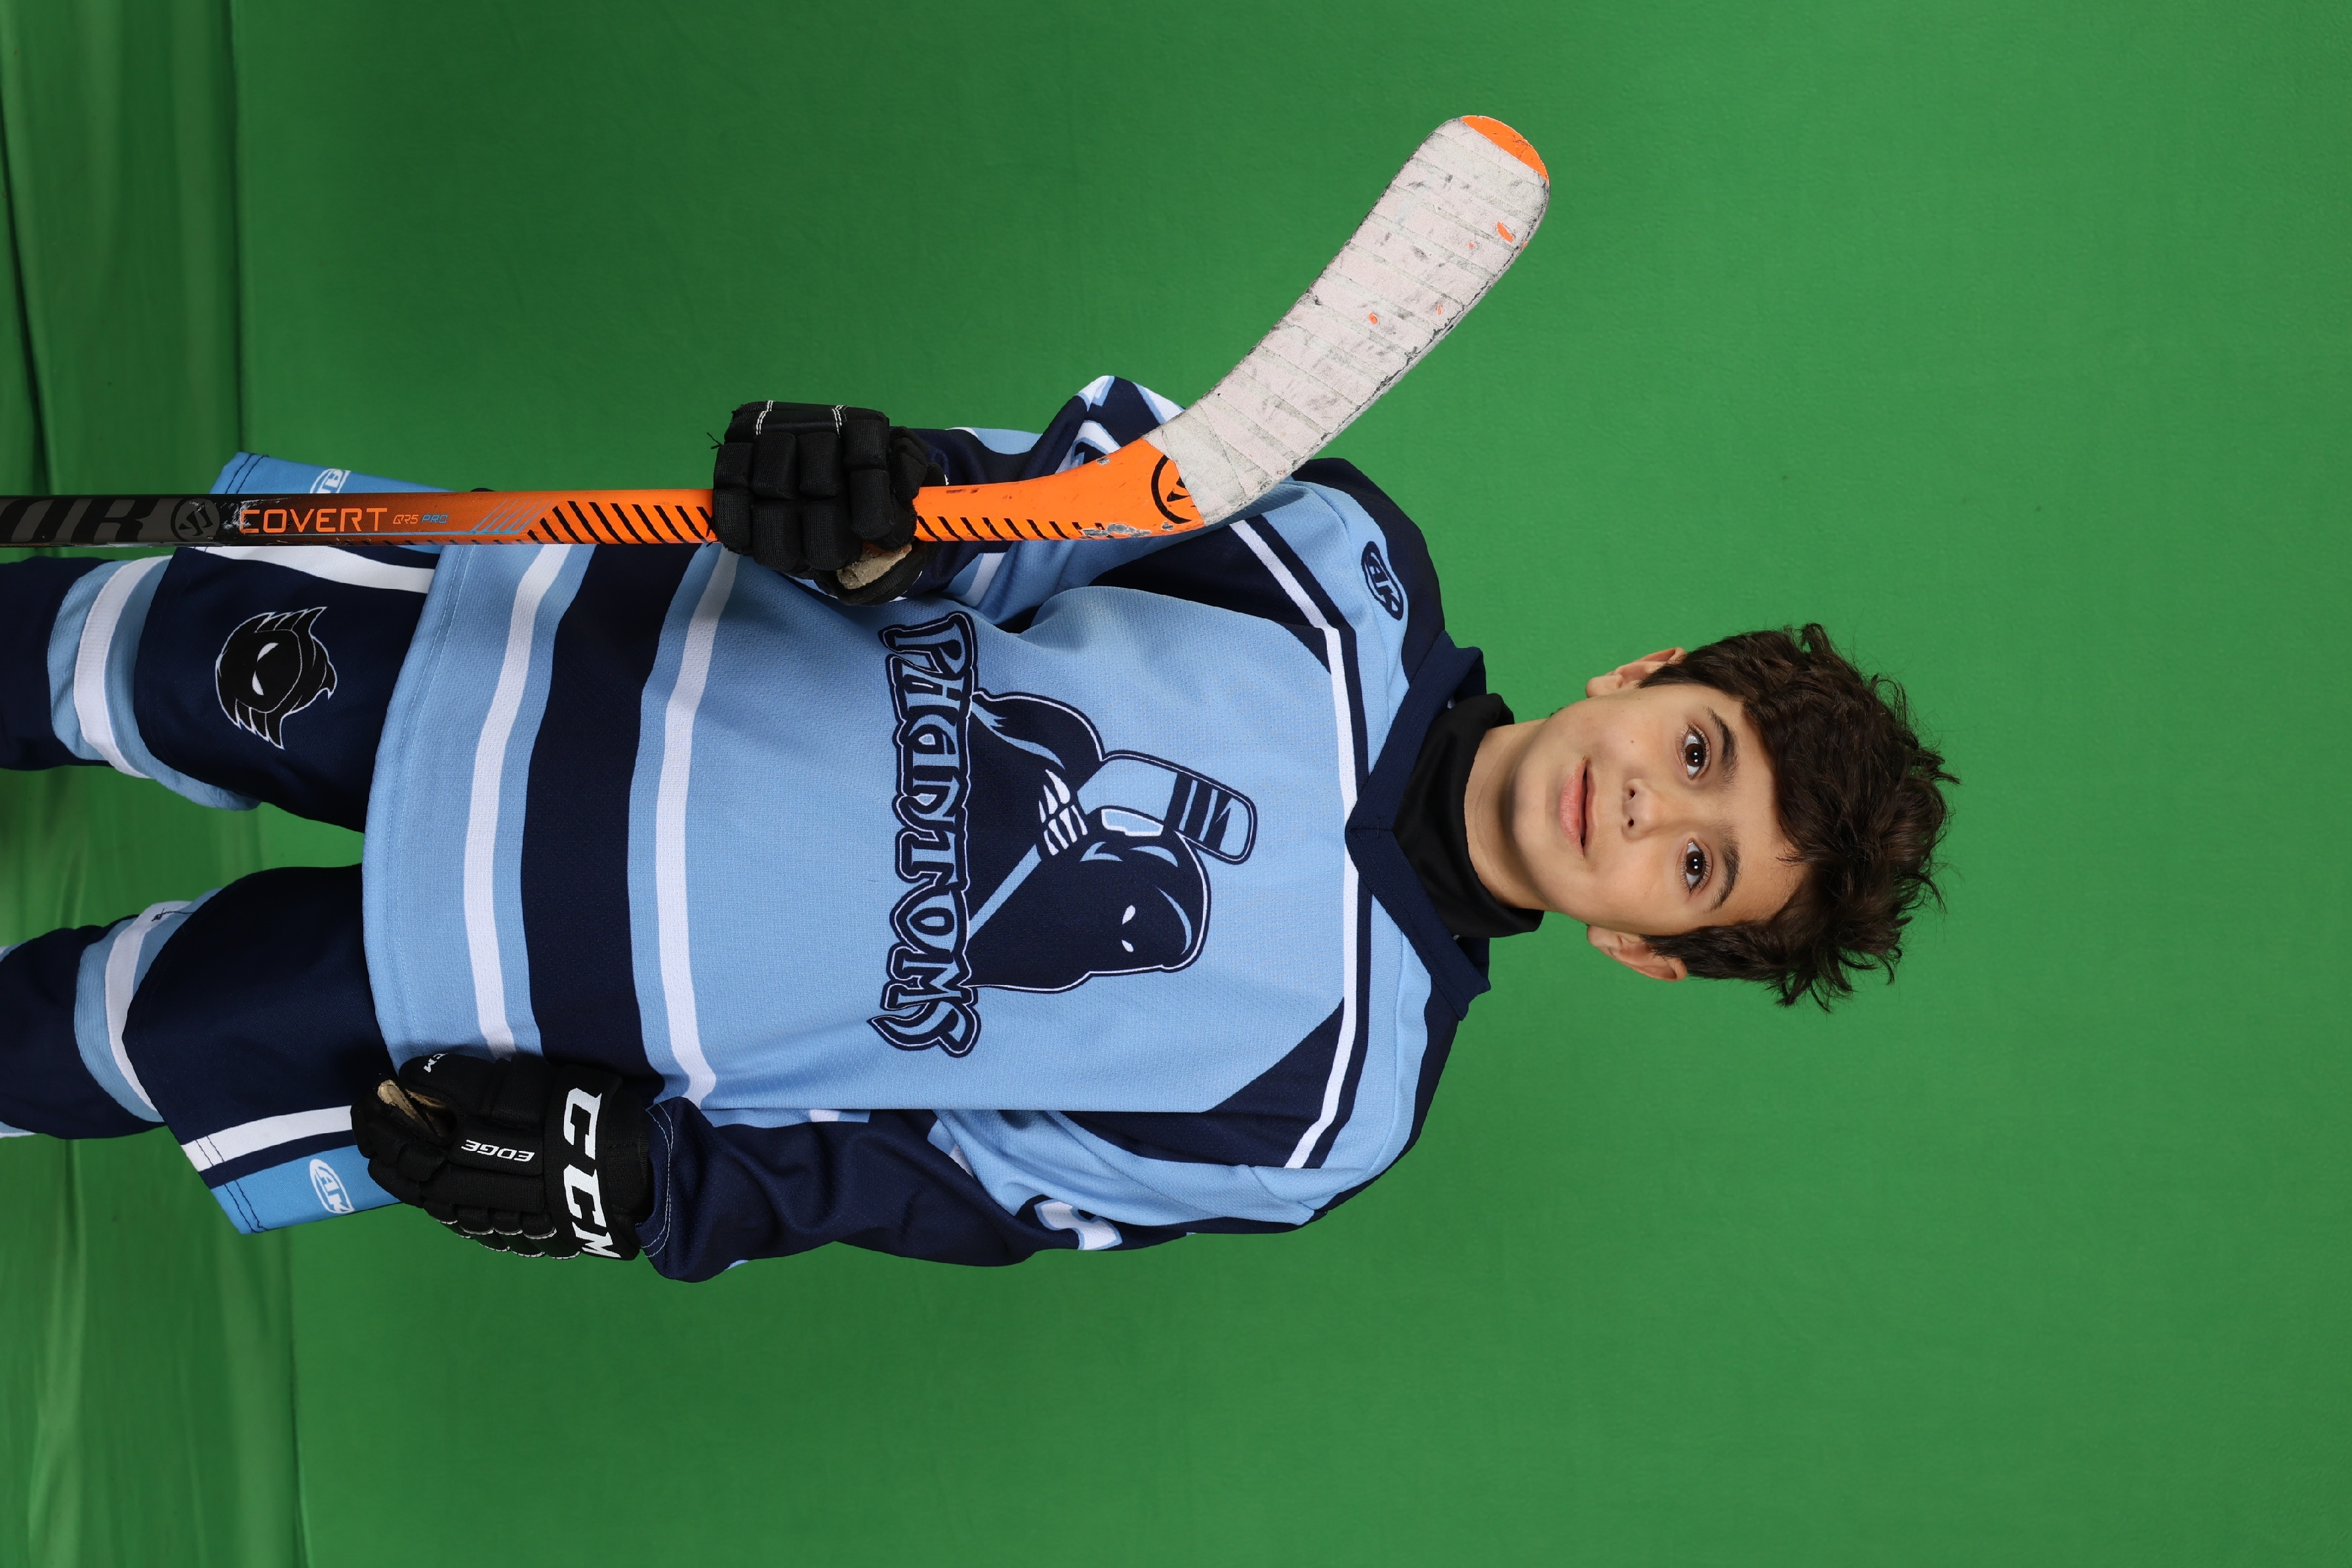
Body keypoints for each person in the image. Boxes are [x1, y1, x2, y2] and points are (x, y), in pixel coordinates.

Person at [0, 376, 1953, 1277]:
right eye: (1699, 746)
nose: (1650, 805)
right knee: (128, 657)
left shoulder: (1330, 1116)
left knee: (128, 1034)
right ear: (1646, 670)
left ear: (1647, 946)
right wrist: (887, 504)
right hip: (556, 671)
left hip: (539, 997)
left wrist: (660, 1190)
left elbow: (961, 1180)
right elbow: (1032, 515)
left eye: (1698, 864)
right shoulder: (1330, 557)